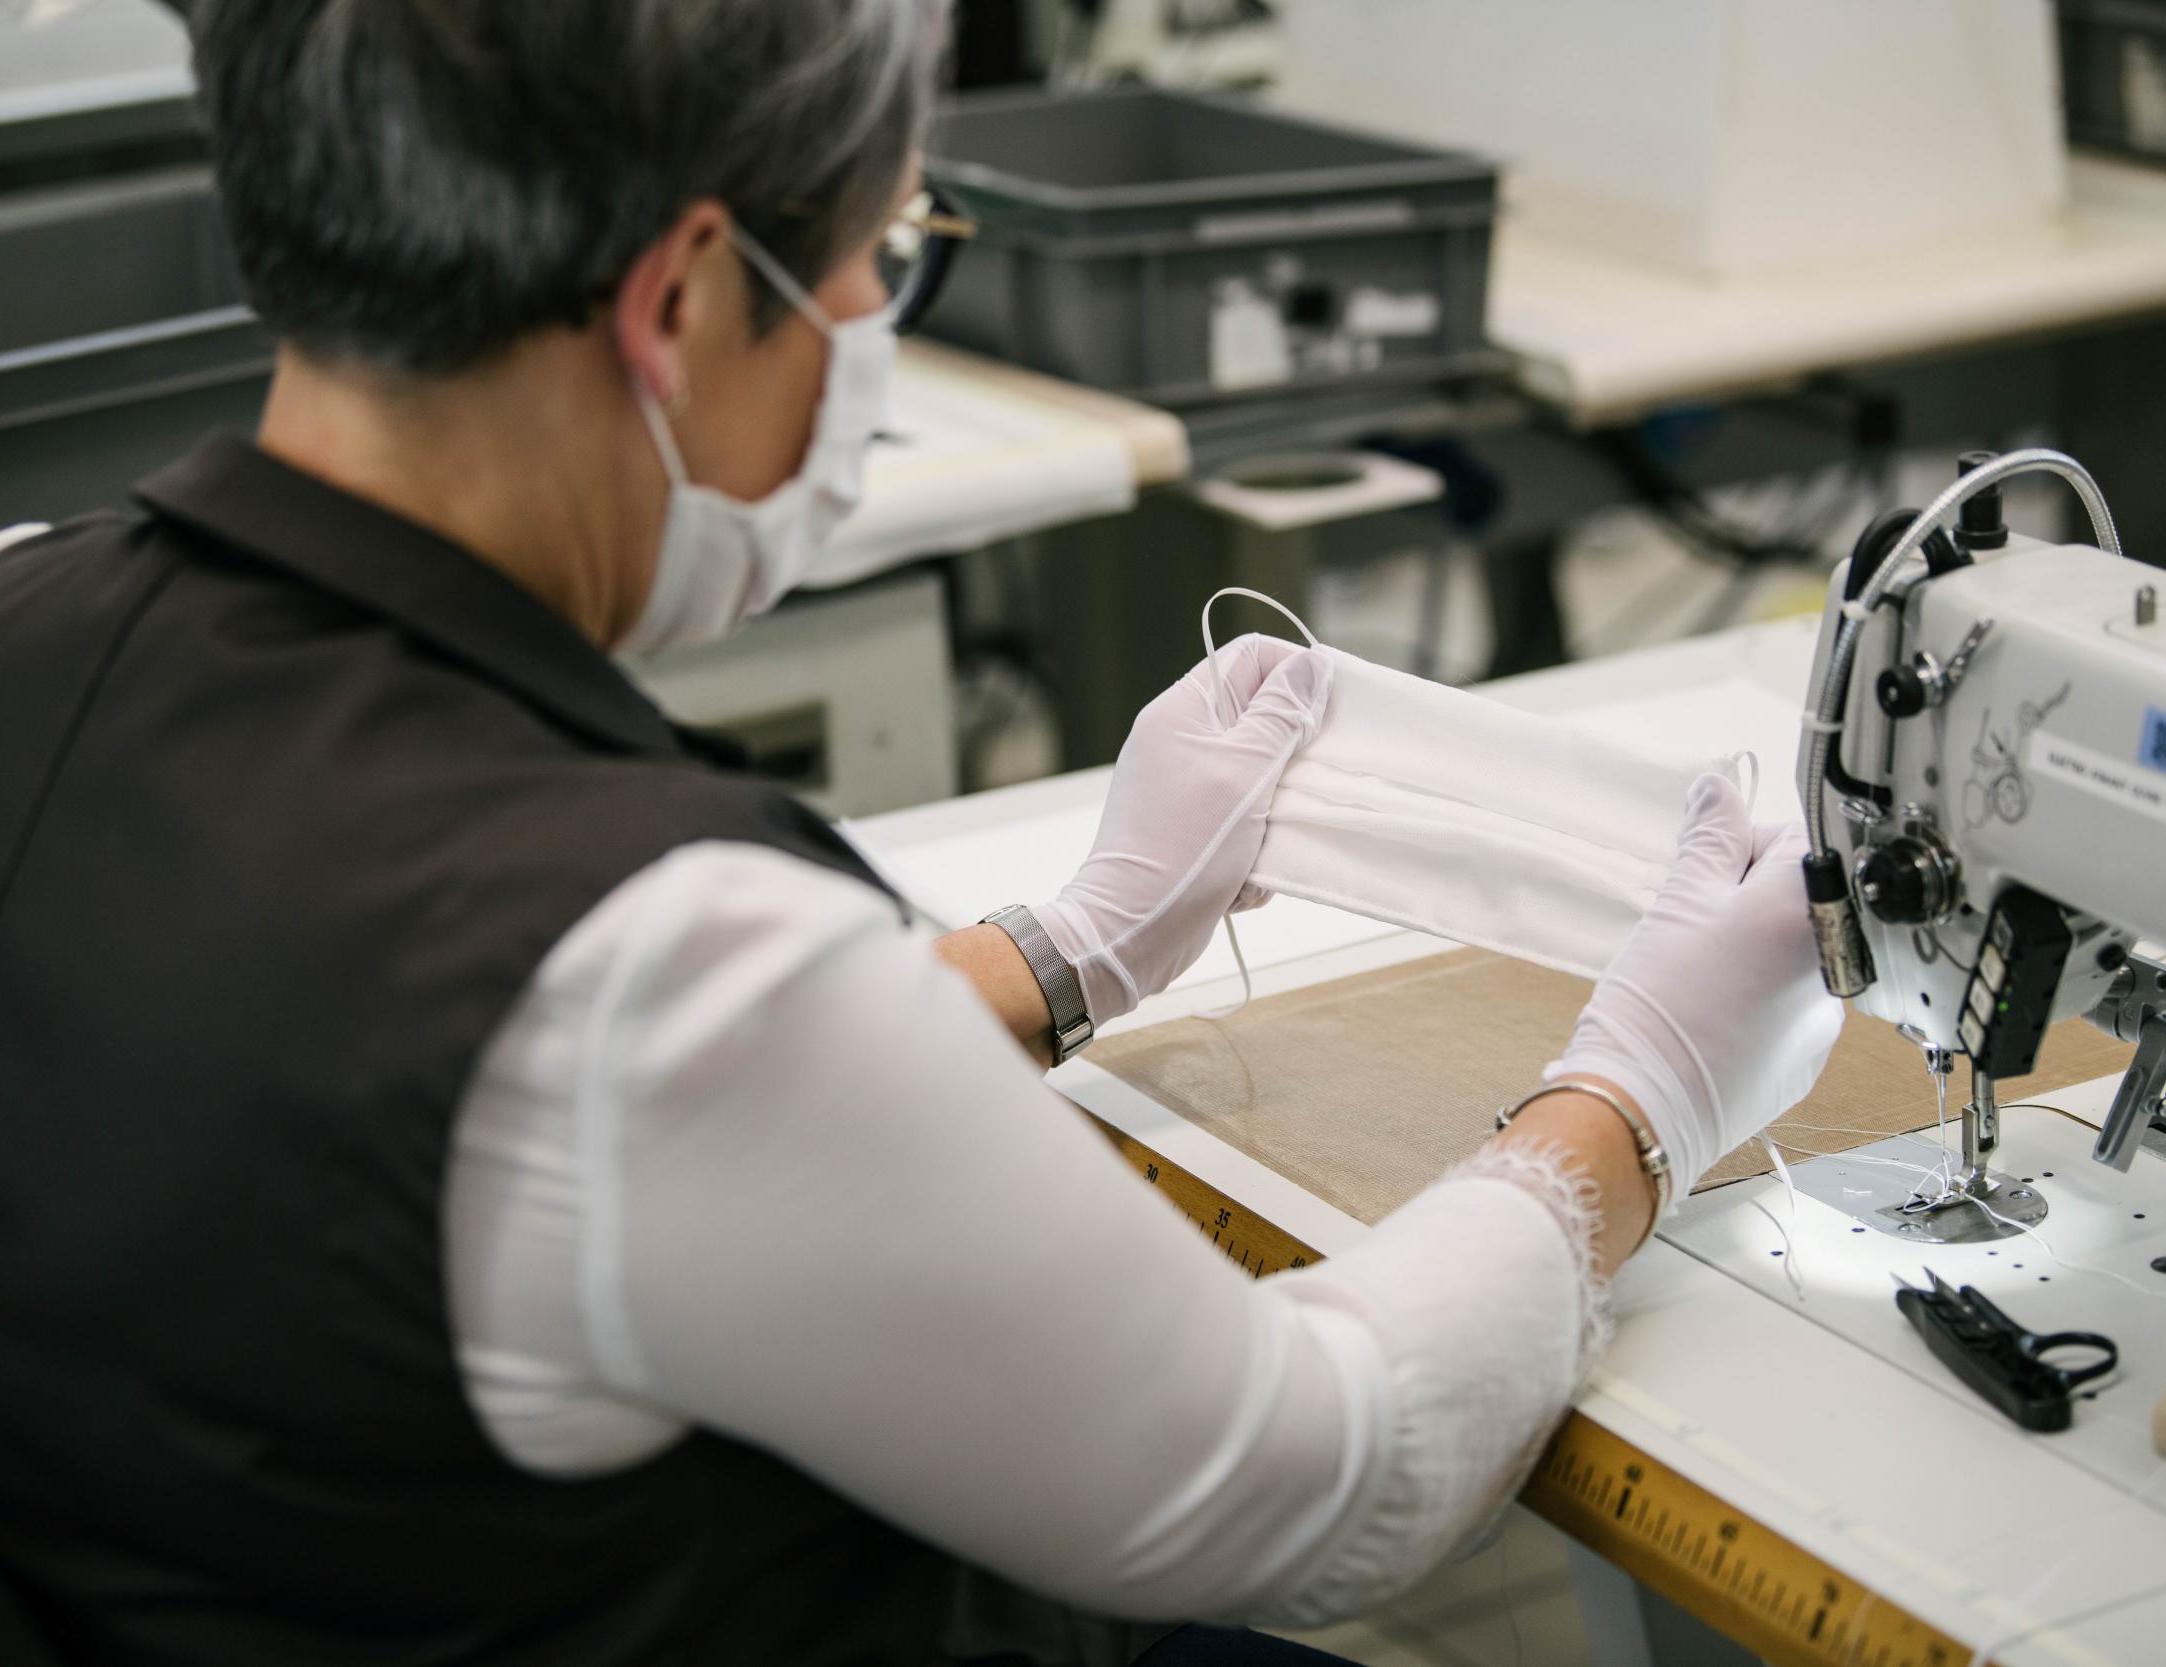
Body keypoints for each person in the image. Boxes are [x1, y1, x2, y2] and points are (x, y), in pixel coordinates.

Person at [0, 2, 1845, 1663]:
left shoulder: (36, 625)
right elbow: (1323, 1477)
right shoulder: (649, 955)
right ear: (680, 305)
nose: (879, 324)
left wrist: (1059, 954)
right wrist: (1636, 1099)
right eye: (879, 254)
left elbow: (468, 1120)